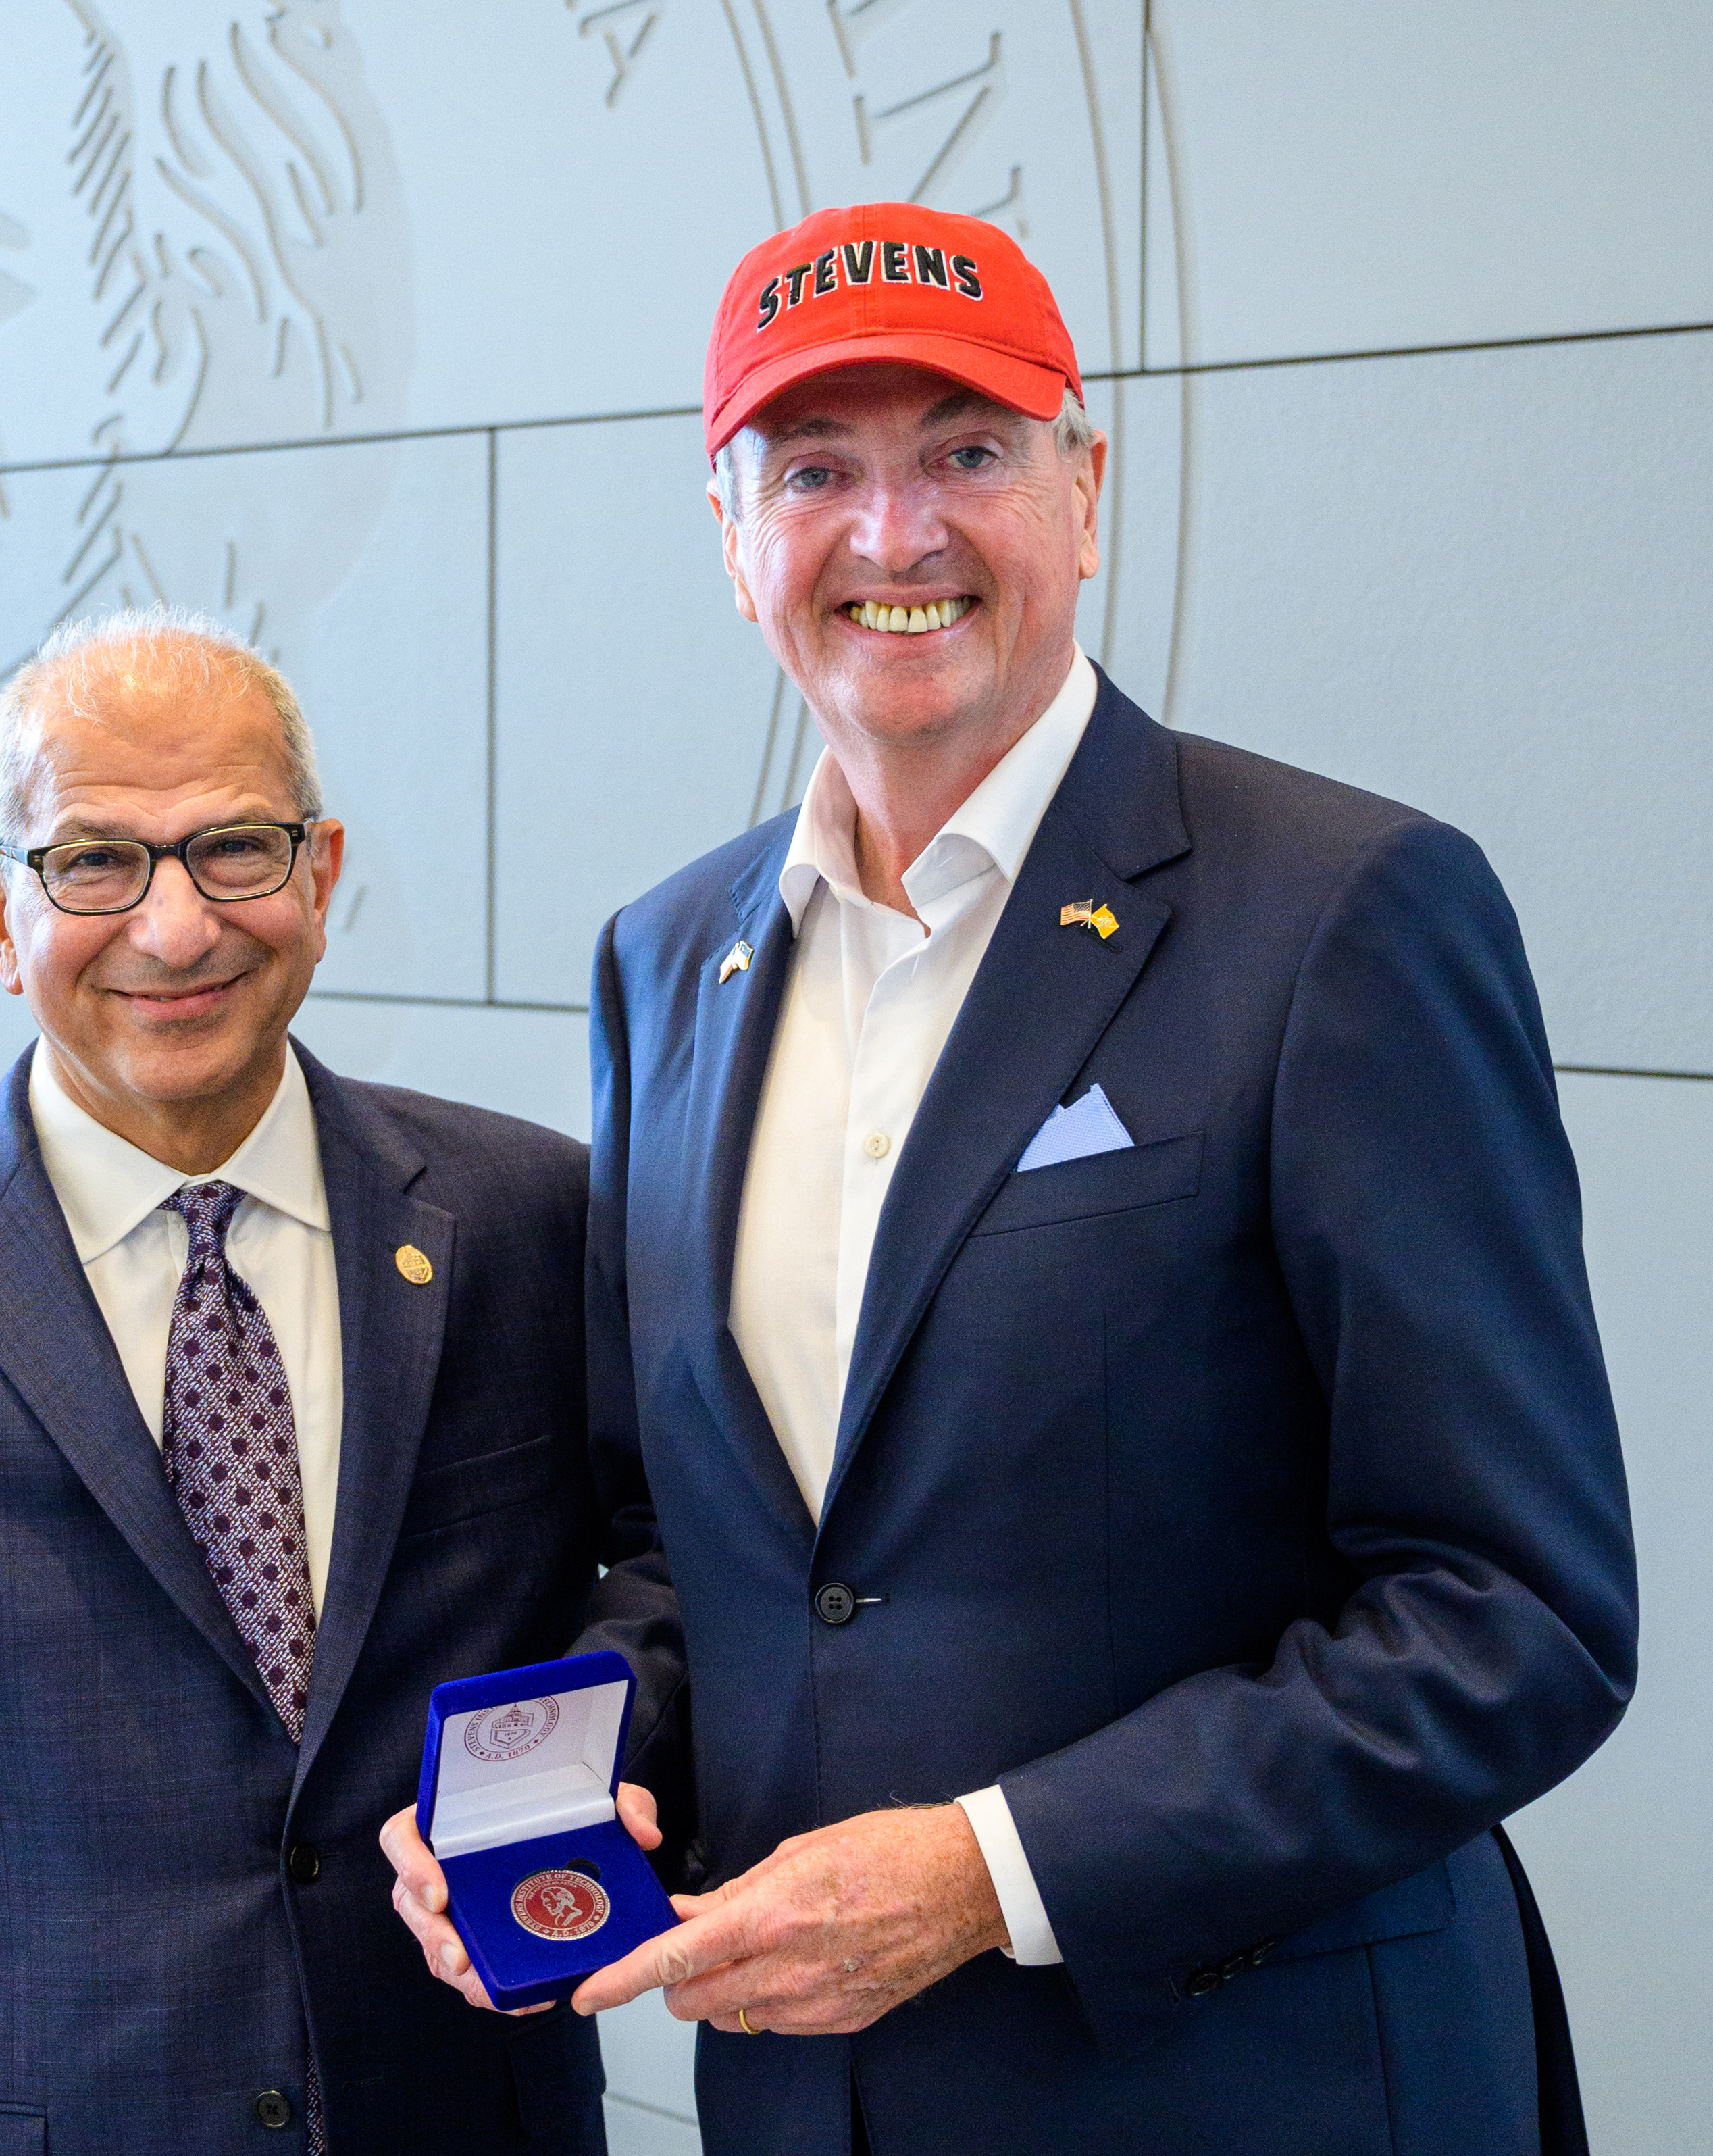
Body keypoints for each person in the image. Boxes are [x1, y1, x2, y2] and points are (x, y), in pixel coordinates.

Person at [385, 204, 1637, 2153]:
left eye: (966, 453)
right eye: (818, 472)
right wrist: (542, 1795)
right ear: (732, 541)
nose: (896, 538)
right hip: (812, 2106)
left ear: (1086, 489)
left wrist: (990, 1873)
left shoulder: (1346, 917)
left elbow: (1515, 1616)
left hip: (1259, 2096)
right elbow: (689, 1550)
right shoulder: (666, 962)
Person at [0, 609, 611, 2154]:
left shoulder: (531, 1222)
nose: (175, 928)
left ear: (322, 874)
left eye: (235, 848)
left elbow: (661, 1590)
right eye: (93, 862)